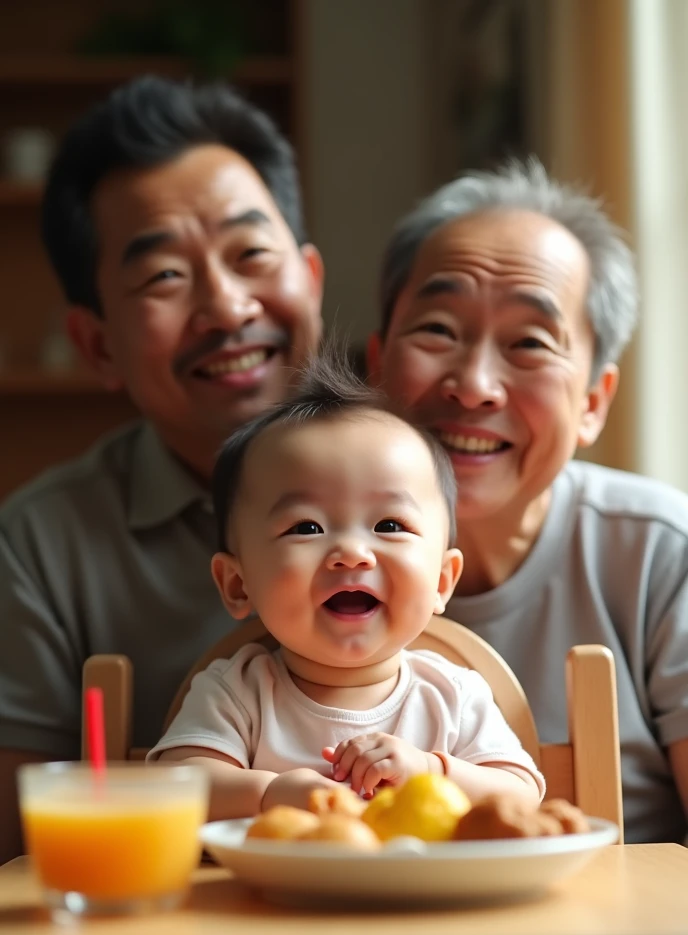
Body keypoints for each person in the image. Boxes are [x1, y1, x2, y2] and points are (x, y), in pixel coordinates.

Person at [0, 75, 324, 862]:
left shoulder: (433, 488)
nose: (227, 308)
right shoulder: (42, 543)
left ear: (310, 279)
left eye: (251, 254)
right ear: (97, 344)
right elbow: (22, 844)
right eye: (165, 278)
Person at [367, 157, 688, 844]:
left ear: (594, 402)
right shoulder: (292, 550)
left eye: (530, 343)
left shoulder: (661, 553)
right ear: (376, 363)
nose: (475, 385)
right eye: (438, 330)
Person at [148, 356, 545, 818]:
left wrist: (432, 772)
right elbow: (179, 788)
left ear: (441, 581)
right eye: (307, 528)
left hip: (432, 890)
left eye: (390, 523)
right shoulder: (238, 692)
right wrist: (269, 795)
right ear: (239, 585)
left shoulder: (452, 695)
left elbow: (520, 797)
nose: (352, 553)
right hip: (275, 891)